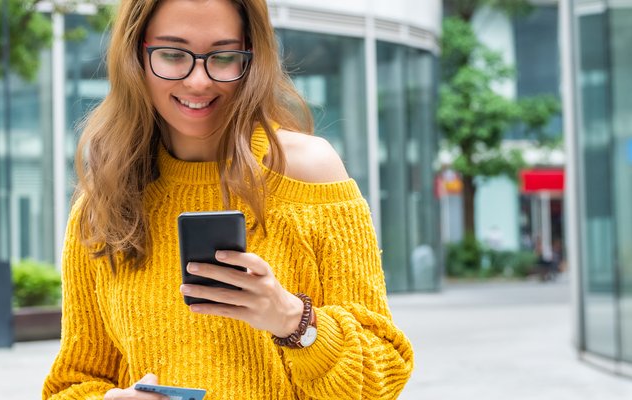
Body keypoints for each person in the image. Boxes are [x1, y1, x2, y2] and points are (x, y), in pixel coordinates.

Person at [41, 1, 414, 399]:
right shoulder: (105, 203)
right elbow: (72, 383)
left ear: (253, 59)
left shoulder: (309, 174)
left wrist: (293, 320)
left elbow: (382, 377)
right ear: (135, 55)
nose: (199, 81)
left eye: (223, 56)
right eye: (171, 54)